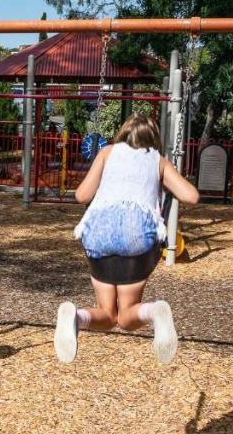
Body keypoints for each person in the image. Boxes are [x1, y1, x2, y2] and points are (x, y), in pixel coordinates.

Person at [54, 113, 199, 365]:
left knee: (108, 315)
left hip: (98, 232)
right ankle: (155, 312)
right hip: (136, 234)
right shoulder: (158, 161)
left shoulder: (107, 153)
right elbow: (191, 196)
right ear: (153, 137)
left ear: (122, 133)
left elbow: (81, 195)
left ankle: (76, 318)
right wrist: (162, 180)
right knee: (126, 317)